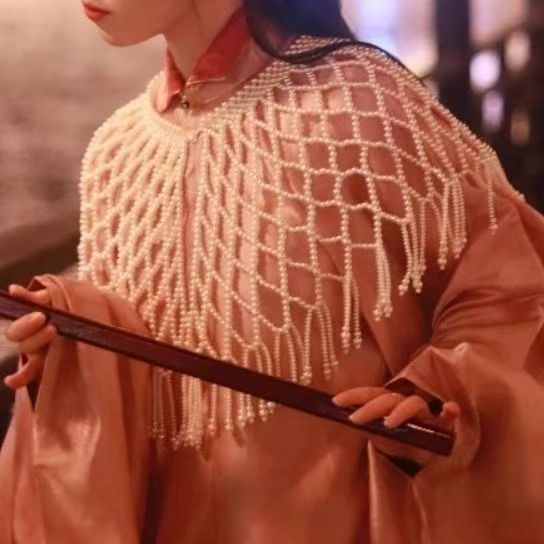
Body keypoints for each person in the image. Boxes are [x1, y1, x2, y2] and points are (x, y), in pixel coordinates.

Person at [1, 0, 544, 542]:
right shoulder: (117, 151)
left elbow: (509, 286)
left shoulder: (357, 104)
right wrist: (70, 335)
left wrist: (434, 388)